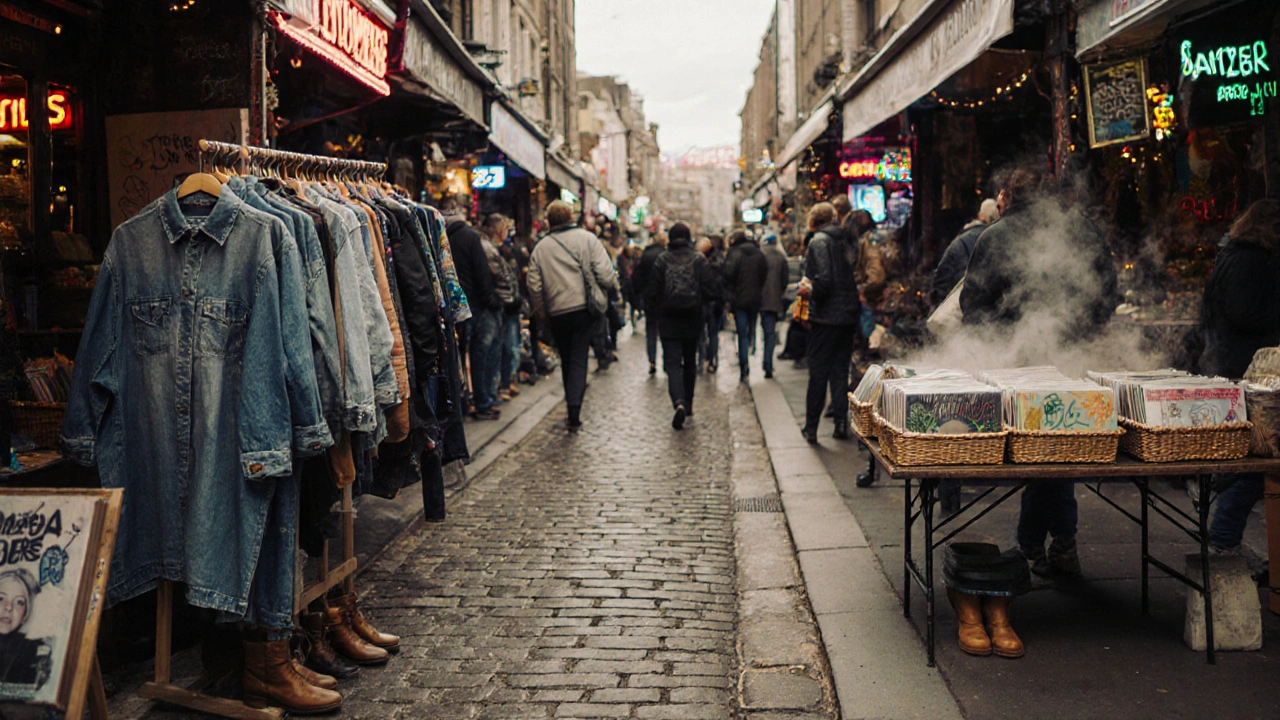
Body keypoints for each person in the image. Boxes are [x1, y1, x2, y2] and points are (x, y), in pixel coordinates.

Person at [961, 168, 1119, 578]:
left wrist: (996, 341)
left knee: (1045, 454)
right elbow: (1108, 294)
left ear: (1008, 197)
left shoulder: (993, 236)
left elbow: (972, 307)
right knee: (1059, 450)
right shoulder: (1081, 230)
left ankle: (1035, 546)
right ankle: (1056, 544)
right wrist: (1085, 330)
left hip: (1018, 366)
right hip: (1071, 359)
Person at [1200, 199, 1280, 565]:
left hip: (1235, 363)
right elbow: (1243, 313)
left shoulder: (1235, 255)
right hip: (1245, 368)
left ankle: (1225, 535)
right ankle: (1223, 538)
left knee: (1250, 459)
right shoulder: (1248, 261)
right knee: (1252, 462)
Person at [528, 201, 618, 431]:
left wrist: (543, 313)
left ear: (549, 221)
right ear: (571, 217)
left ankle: (572, 403)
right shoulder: (587, 239)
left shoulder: (541, 247)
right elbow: (606, 275)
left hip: (557, 312)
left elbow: (534, 286)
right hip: (582, 309)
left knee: (567, 358)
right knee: (578, 358)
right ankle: (574, 409)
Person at [800, 203, 860, 443]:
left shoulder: (819, 241)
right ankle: (841, 423)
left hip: (826, 316)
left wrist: (809, 291)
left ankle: (811, 427)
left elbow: (824, 280)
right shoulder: (845, 239)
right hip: (848, 314)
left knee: (818, 372)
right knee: (839, 371)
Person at [648, 222, 718, 430]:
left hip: (668, 319)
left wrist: (655, 313)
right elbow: (710, 289)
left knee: (672, 364)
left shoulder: (662, 260)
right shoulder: (699, 259)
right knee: (689, 364)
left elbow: (653, 291)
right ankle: (688, 405)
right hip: (692, 317)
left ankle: (678, 401)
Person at [443, 195, 504, 420]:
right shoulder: (470, 236)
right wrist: (491, 301)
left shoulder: (442, 236)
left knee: (457, 355)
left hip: (450, 304)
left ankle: (461, 400)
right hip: (474, 305)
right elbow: (482, 273)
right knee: (479, 354)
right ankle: (481, 401)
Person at [481, 213, 523, 403]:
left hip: (508, 306)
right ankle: (499, 387)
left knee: (506, 347)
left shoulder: (504, 249)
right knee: (503, 347)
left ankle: (503, 384)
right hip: (503, 305)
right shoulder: (492, 250)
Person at [930, 199, 1000, 305]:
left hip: (954, 304)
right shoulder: (996, 240)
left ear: (981, 215)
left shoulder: (961, 240)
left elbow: (941, 279)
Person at [724, 229, 768, 383]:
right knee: (751, 327)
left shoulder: (734, 253)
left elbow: (728, 274)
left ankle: (744, 367)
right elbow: (764, 274)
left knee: (741, 333)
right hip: (755, 298)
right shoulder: (758, 253)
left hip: (739, 299)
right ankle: (752, 345)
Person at [0, 568, 49, 686]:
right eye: (1, 599)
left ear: (25, 613)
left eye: (19, 602)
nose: (8, 607)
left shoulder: (32, 651)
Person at [631, 232, 667, 374]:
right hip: (664, 299)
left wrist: (640, 296)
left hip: (650, 299)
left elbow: (636, 278)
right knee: (664, 331)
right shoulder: (666, 255)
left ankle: (652, 361)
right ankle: (666, 360)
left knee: (651, 331)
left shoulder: (646, 255)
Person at [759, 233, 790, 379]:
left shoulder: (759, 254)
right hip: (773, 300)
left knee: (749, 331)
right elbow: (785, 280)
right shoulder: (780, 257)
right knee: (770, 334)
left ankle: (745, 362)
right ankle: (768, 364)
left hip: (757, 299)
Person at [701, 234, 728, 373]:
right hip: (717, 301)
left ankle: (704, 357)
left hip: (704, 301)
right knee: (713, 333)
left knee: (703, 332)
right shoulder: (722, 259)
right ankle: (712, 359)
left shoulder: (699, 261)